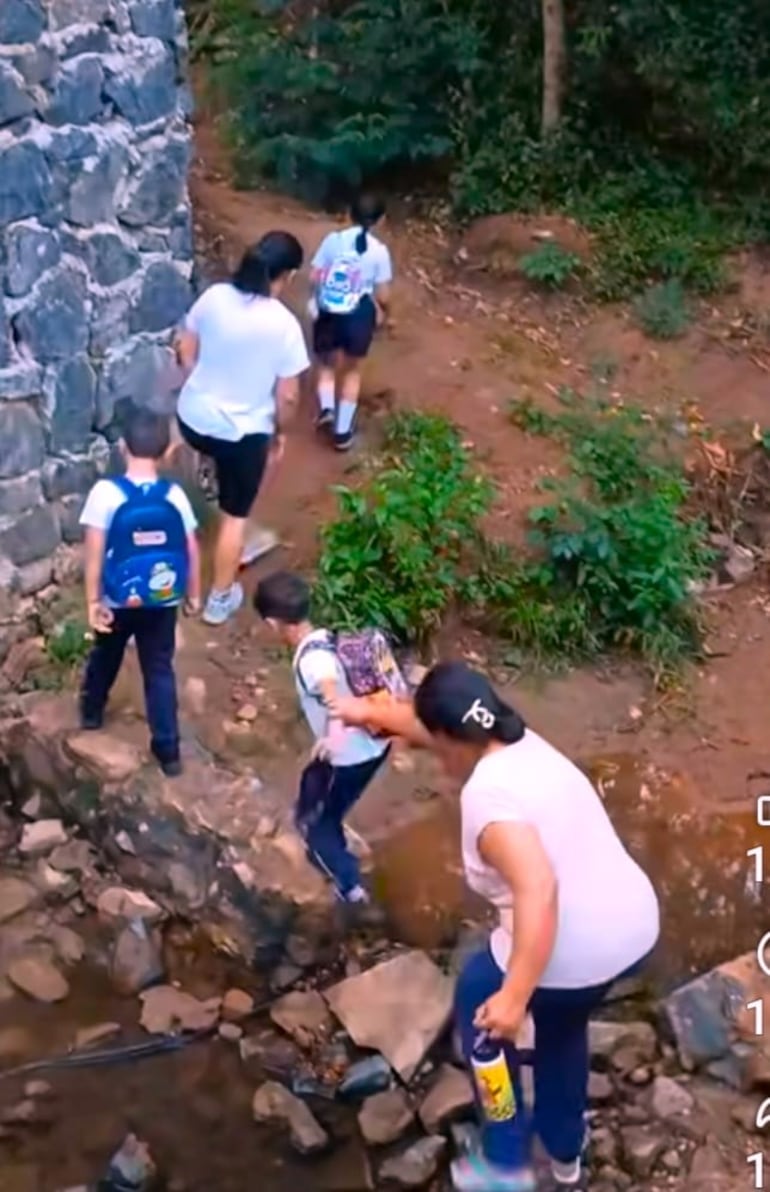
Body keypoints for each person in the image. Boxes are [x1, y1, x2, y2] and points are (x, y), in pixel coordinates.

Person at [329, 663, 660, 1191]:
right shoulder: (517, 739)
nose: (434, 756)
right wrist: (369, 712)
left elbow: (539, 889)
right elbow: (434, 727)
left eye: (434, 745)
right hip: (635, 925)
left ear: (448, 739)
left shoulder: (488, 797)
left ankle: (505, 1161)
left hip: (573, 942)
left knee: (482, 1009)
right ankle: (565, 1155)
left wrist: (514, 997)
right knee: (561, 1030)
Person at [175, 231, 309, 626]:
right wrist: (280, 434)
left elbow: (186, 345)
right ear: (287, 275)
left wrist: (197, 383)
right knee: (237, 515)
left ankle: (204, 487)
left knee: (207, 449)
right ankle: (220, 598)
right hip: (241, 435)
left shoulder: (214, 297)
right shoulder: (283, 326)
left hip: (193, 420)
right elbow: (287, 398)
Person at [253, 570, 390, 925]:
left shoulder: (312, 660)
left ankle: (351, 887)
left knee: (318, 832)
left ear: (272, 623)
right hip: (376, 740)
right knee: (313, 780)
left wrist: (334, 736)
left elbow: (330, 691)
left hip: (353, 756)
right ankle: (316, 813)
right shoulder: (326, 638)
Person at [79, 407, 201, 777]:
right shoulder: (175, 495)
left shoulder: (105, 493)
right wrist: (193, 594)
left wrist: (93, 601)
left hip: (119, 598)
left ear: (121, 447)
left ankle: (91, 713)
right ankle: (169, 751)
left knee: (106, 655)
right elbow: (190, 548)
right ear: (166, 453)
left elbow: (95, 551)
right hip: (162, 601)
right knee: (159, 669)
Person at [310, 194, 392, 451]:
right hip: (359, 313)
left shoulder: (333, 241)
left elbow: (314, 275)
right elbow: (382, 294)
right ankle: (343, 433)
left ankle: (326, 408)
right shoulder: (379, 251)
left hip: (330, 309)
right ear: (380, 221)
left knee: (326, 364)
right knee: (353, 371)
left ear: (348, 214)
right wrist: (385, 313)